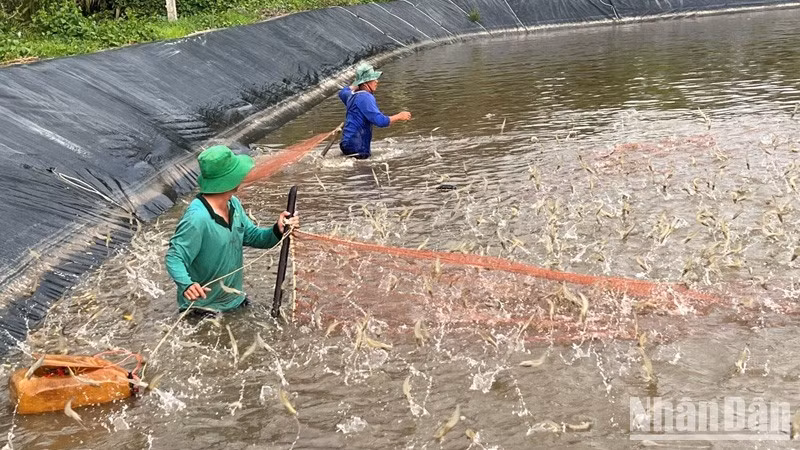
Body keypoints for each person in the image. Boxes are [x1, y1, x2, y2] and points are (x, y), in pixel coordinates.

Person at [165, 145, 299, 313]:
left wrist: (278, 230)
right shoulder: (197, 218)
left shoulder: (233, 204)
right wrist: (187, 285)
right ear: (228, 179)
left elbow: (252, 236)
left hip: (235, 300)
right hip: (203, 308)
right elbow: (174, 257)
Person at [338, 63, 412, 159]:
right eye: (373, 79)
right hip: (358, 146)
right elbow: (380, 121)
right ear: (365, 83)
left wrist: (358, 84)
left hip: (346, 144)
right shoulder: (365, 97)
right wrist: (400, 116)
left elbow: (342, 92)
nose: (377, 81)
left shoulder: (351, 95)